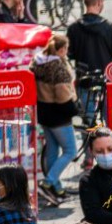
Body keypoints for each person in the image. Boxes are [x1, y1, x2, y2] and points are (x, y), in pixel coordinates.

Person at [32, 42, 79, 204]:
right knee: (70, 151)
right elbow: (63, 97)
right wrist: (74, 108)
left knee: (52, 149)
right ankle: (47, 183)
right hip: (59, 116)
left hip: (44, 114)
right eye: (66, 48)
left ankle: (56, 189)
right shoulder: (59, 69)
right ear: (61, 50)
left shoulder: (37, 64)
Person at [67, 0, 112, 79]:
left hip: (83, 79)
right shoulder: (110, 27)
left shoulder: (73, 28)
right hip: (104, 78)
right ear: (99, 3)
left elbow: (70, 54)